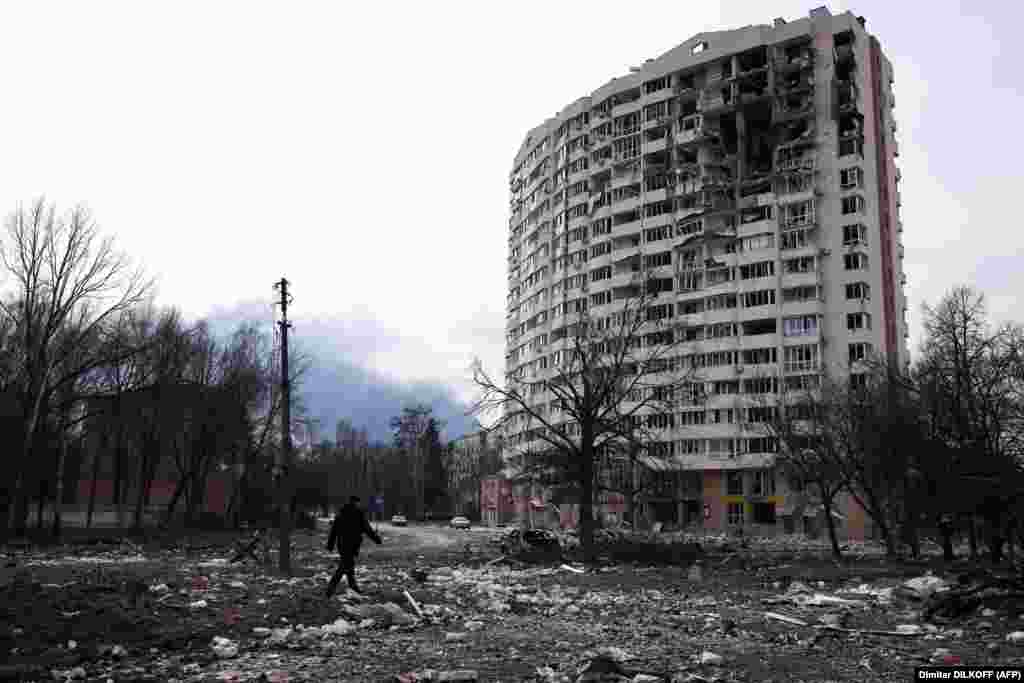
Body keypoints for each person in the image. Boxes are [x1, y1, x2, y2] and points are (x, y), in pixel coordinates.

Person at [326, 495, 382, 596]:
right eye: (358, 503)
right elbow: (367, 529)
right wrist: (377, 539)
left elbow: (334, 530)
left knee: (349, 565)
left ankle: (353, 586)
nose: (359, 505)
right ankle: (330, 589)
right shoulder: (358, 513)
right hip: (352, 544)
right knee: (344, 567)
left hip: (342, 544)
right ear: (356, 503)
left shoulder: (341, 513)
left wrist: (330, 544)